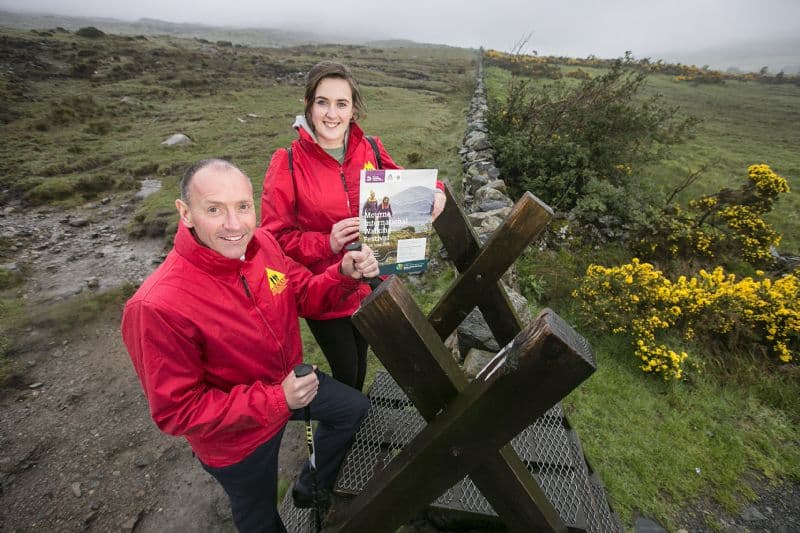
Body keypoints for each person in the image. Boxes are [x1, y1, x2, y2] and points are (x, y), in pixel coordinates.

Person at [121, 159, 376, 533]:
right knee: (259, 518)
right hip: (236, 440)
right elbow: (179, 412)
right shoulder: (156, 306)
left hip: (289, 384)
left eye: (243, 206)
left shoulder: (264, 246)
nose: (234, 224)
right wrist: (278, 400)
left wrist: (342, 275)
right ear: (185, 213)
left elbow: (302, 292)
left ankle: (311, 485)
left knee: (353, 409)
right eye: (214, 209)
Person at [261, 61, 446, 392]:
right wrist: (327, 243)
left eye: (341, 104)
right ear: (309, 105)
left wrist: (436, 191)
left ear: (352, 109)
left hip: (372, 279)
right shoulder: (287, 162)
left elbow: (406, 184)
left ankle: (351, 422)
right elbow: (272, 241)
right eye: (323, 102)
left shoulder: (371, 147)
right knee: (347, 372)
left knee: (362, 360)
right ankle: (338, 427)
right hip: (326, 288)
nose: (331, 114)